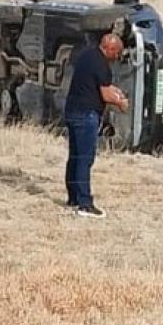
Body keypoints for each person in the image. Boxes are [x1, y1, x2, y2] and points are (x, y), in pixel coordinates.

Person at [64, 33, 129, 218]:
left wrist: (115, 91)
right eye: (117, 53)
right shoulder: (102, 65)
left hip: (72, 111)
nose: (117, 57)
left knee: (75, 157)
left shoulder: (87, 55)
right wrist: (121, 103)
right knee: (85, 159)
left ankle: (73, 198)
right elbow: (106, 95)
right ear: (109, 48)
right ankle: (85, 203)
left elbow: (103, 86)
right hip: (86, 116)